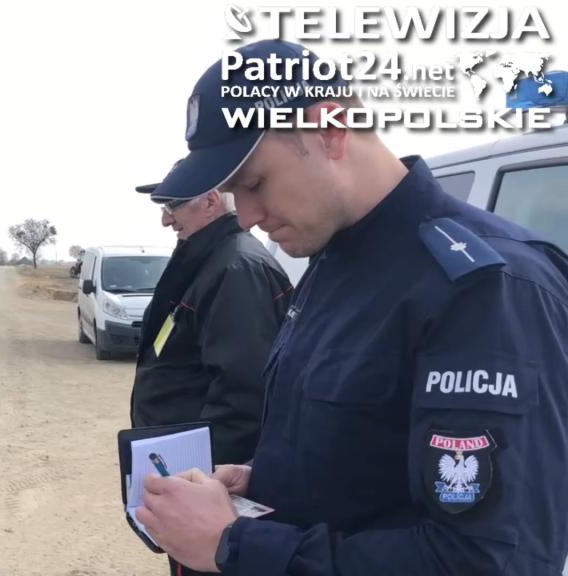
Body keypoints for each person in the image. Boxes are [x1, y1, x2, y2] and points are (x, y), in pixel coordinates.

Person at [136, 39, 568, 575]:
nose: (245, 217)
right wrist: (263, 480)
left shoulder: (485, 287)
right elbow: (366, 466)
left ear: (331, 129)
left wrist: (235, 545)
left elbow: (487, 562)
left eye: (254, 184)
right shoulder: (331, 263)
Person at [131, 177, 291, 576]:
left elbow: (244, 395)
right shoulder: (209, 259)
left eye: (172, 206)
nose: (166, 220)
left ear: (210, 201)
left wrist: (205, 490)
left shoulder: (237, 269)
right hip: (186, 476)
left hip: (207, 485)